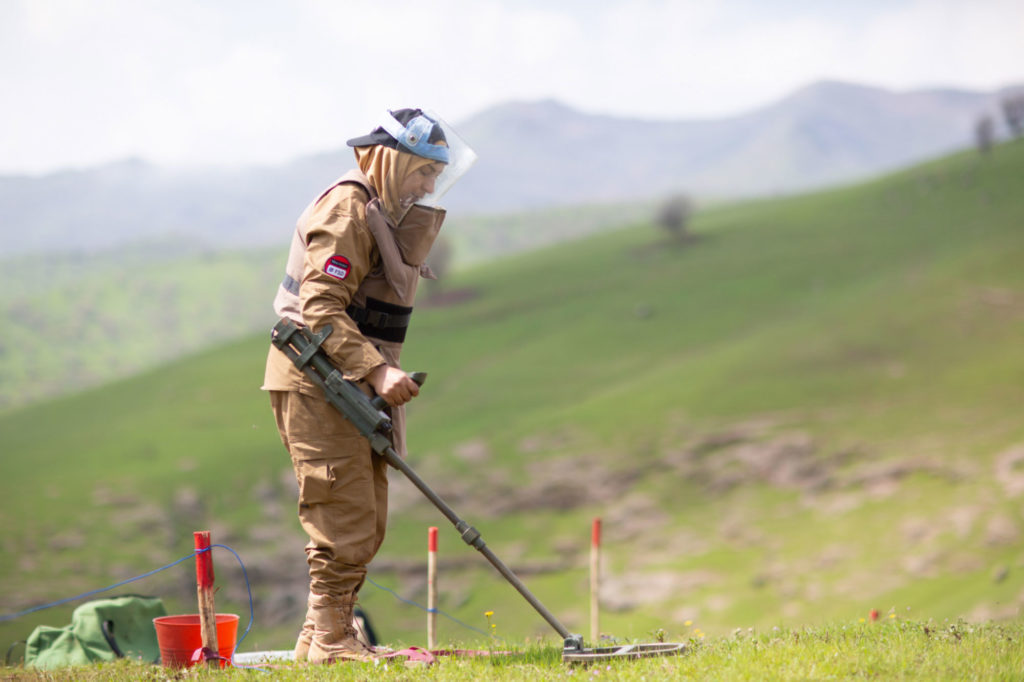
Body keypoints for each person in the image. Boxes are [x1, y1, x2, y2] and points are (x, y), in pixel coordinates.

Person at [261, 109, 475, 663]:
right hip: (319, 381)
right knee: (344, 512)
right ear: (392, 158)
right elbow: (320, 307)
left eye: (436, 176)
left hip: (342, 381)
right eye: (422, 172)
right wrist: (377, 370)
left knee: (362, 511)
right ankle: (333, 640)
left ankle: (322, 639)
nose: (428, 186)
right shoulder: (347, 208)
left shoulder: (375, 206)